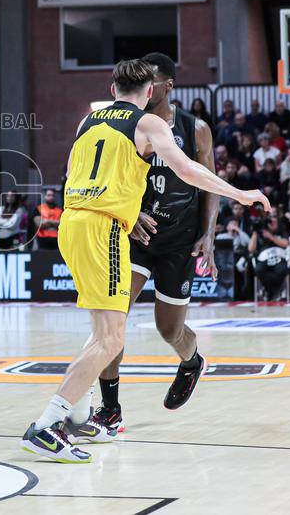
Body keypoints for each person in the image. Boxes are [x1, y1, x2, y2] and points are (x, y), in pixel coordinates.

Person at [20, 59, 269, 463]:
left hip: (72, 223)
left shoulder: (90, 121)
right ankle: (48, 424)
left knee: (104, 330)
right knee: (110, 338)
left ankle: (79, 416)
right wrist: (241, 193)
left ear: (112, 86)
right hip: (106, 230)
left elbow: (71, 173)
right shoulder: (149, 124)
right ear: (149, 92)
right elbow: (187, 169)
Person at [85, 53, 220, 438]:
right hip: (136, 236)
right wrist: (129, 211)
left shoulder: (195, 129)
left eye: (153, 80)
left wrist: (208, 234)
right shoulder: (126, 125)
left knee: (169, 330)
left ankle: (191, 362)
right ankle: (110, 410)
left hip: (179, 241)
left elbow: (208, 182)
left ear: (167, 85)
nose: (145, 86)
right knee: (113, 322)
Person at [249, 214, 289, 300]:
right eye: (270, 222)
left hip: (279, 256)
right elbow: (251, 249)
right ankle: (273, 292)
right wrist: (255, 232)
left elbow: (285, 244)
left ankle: (270, 292)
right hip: (264, 258)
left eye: (274, 222)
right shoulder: (260, 233)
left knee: (282, 270)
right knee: (258, 270)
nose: (272, 224)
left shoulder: (281, 232)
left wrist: (270, 237)